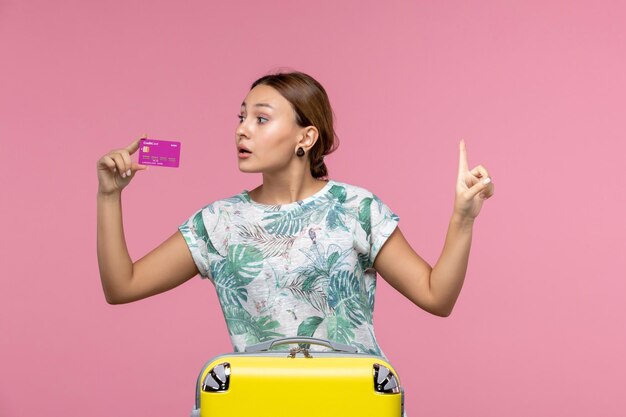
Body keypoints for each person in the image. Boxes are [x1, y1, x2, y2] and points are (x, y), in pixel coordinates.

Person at [96, 70, 495, 360]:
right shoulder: (219, 223)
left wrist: (462, 218)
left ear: (306, 137)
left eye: (261, 118)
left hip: (352, 403)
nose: (242, 130)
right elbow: (122, 286)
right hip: (256, 403)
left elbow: (437, 297)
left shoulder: (355, 210)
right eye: (241, 117)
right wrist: (109, 196)